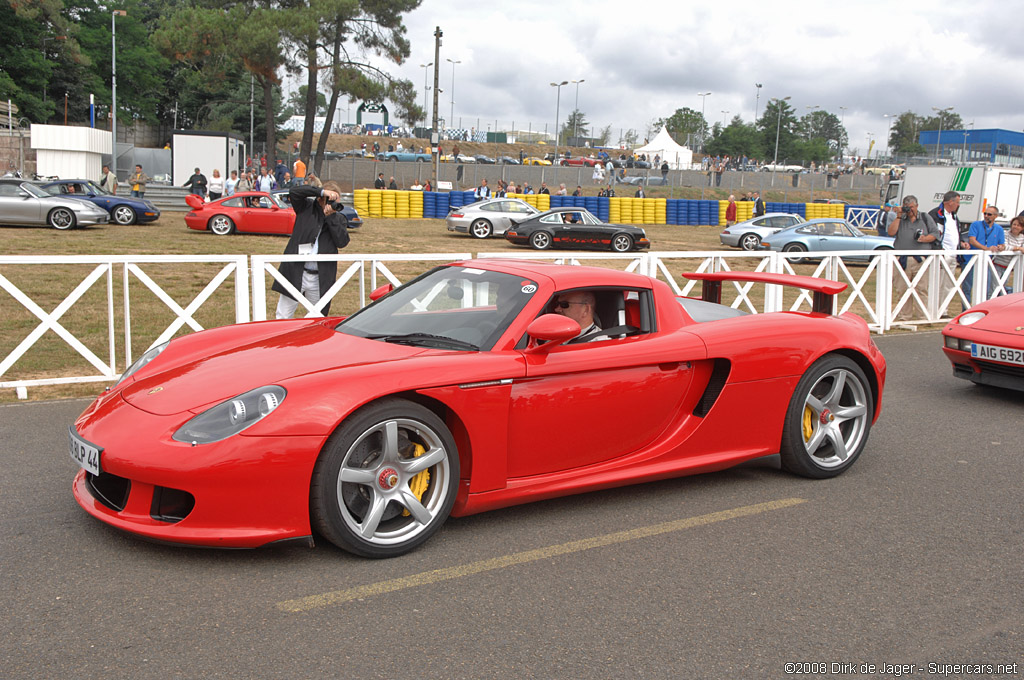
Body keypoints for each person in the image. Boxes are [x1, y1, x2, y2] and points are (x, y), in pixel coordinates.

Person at [273, 181, 350, 319]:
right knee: (283, 314)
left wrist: (331, 217)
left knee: (318, 317)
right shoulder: (306, 207)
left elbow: (342, 242)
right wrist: (320, 191)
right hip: (296, 271)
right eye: (330, 199)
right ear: (321, 198)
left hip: (319, 276)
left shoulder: (338, 218)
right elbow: (294, 192)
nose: (332, 203)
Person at [888, 195, 941, 321]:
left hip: (920, 259)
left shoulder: (925, 218)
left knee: (921, 289)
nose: (909, 210)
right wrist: (899, 216)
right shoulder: (901, 219)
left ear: (916, 206)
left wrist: (925, 239)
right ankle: (905, 316)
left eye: (911, 207)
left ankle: (922, 317)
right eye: (907, 207)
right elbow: (891, 232)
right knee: (902, 289)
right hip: (903, 258)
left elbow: (935, 234)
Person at [927, 191, 968, 310]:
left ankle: (943, 308)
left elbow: (954, 233)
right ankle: (932, 309)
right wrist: (938, 249)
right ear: (950, 202)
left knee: (949, 284)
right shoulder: (935, 214)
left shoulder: (954, 216)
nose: (958, 205)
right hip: (941, 254)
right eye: (957, 202)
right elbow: (933, 233)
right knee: (937, 283)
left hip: (953, 254)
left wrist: (961, 243)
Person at [965, 205, 1007, 303]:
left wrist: (1001, 247)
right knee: (967, 287)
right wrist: (987, 249)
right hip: (971, 259)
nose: (986, 216)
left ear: (995, 216)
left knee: (986, 287)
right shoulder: (976, 224)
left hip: (987, 262)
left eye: (989, 214)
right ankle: (965, 310)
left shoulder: (999, 229)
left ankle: (983, 308)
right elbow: (972, 240)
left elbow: (1002, 243)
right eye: (985, 213)